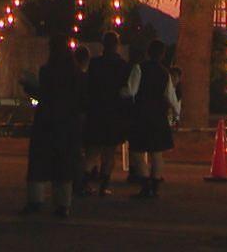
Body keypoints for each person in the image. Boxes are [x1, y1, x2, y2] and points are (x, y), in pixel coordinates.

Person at [23, 34, 86, 218]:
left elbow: (43, 94)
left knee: (39, 164)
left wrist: (30, 89)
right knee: (64, 166)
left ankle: (35, 200)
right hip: (68, 124)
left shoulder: (47, 71)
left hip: (46, 122)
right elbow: (81, 101)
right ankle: (63, 205)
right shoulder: (76, 74)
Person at [125, 38, 178, 200]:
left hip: (141, 114)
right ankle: (154, 187)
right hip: (159, 116)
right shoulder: (165, 73)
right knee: (157, 153)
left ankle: (145, 185)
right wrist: (176, 114)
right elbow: (170, 96)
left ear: (148, 53)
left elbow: (131, 90)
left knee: (137, 152)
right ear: (162, 55)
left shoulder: (139, 68)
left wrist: (120, 93)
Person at [81, 31, 132, 196]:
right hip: (114, 113)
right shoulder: (123, 66)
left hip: (96, 112)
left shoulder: (95, 64)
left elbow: (88, 87)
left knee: (92, 151)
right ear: (116, 45)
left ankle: (83, 182)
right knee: (109, 153)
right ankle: (104, 185)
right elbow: (125, 91)